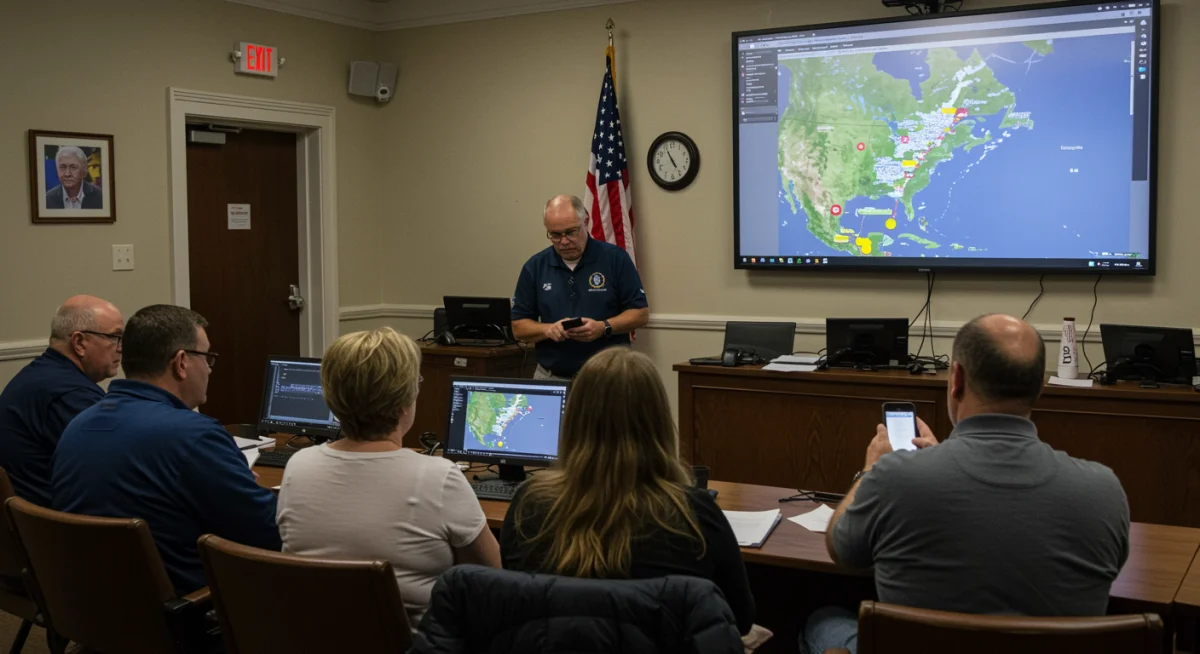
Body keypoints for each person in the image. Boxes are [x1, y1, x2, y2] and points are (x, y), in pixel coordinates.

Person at [804, 314, 1129, 654]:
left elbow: (842, 551)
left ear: (956, 379)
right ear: (1040, 389)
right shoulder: (1104, 490)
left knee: (824, 621)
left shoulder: (894, 477)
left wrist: (871, 471)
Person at [500, 347, 756, 635]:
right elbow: (740, 619)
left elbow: (514, 603)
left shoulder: (529, 503)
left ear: (574, 417)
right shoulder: (694, 512)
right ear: (658, 421)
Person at [277, 327, 500, 629]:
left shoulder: (298, 466)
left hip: (315, 639)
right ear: (404, 400)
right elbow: (490, 576)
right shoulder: (438, 477)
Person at [52, 304, 280, 595]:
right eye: (207, 357)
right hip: (189, 614)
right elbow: (268, 533)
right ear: (181, 362)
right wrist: (243, 486)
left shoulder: (78, 425)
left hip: (92, 610)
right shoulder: (194, 435)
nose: (209, 368)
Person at [0, 295, 123, 506]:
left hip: (31, 520)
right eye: (115, 337)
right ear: (79, 342)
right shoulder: (69, 395)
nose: (121, 347)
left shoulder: (41, 374)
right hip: (55, 526)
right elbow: (115, 467)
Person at [511, 194, 649, 379]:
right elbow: (519, 327)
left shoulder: (615, 259)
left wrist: (603, 327)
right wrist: (548, 329)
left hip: (608, 376)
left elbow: (640, 314)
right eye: (555, 235)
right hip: (553, 376)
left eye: (571, 232)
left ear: (586, 222)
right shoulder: (535, 267)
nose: (564, 241)